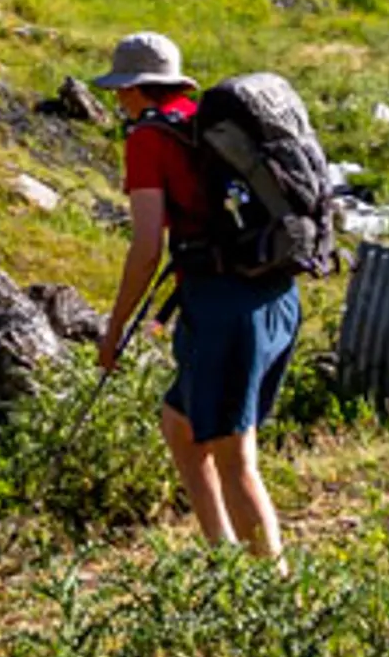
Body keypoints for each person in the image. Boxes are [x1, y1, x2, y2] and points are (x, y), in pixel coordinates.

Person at [91, 32, 297, 558]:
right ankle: (222, 559)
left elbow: (145, 249)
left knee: (234, 456)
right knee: (180, 426)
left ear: (137, 89)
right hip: (275, 293)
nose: (119, 101)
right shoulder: (209, 125)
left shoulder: (148, 140)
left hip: (223, 308)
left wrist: (113, 330)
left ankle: (275, 599)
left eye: (121, 91)